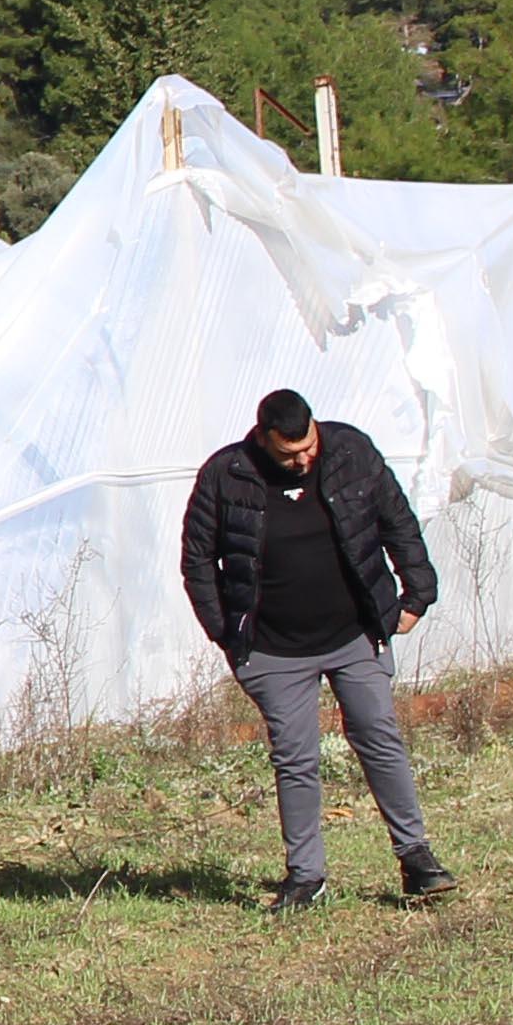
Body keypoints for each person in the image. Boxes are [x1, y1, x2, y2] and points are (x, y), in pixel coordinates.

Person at [182, 389, 454, 911]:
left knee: (379, 736)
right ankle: (306, 877)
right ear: (263, 438)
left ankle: (417, 858)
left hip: (355, 633)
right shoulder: (227, 474)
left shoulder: (351, 451)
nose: (303, 459)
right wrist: (229, 637)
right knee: (296, 759)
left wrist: (417, 591)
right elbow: (198, 562)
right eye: (289, 453)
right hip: (272, 651)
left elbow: (397, 521)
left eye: (308, 447)